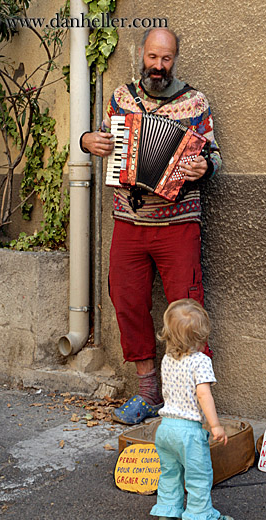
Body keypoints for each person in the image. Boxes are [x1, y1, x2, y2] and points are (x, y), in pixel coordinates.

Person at [80, 28, 222, 425]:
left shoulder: (196, 102)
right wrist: (87, 140)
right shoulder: (121, 98)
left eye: (166, 59)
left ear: (175, 58)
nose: (158, 66)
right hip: (129, 220)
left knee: (187, 307)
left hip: (179, 223)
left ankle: (193, 397)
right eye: (152, 57)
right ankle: (147, 391)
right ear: (141, 54)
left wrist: (204, 166)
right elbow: (101, 139)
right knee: (127, 303)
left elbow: (215, 158)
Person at [150, 299, 235, 520]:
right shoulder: (201, 361)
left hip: (165, 429)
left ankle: (167, 516)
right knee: (198, 477)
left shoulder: (167, 359)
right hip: (188, 432)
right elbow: (203, 394)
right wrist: (215, 425)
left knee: (170, 473)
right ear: (201, 336)